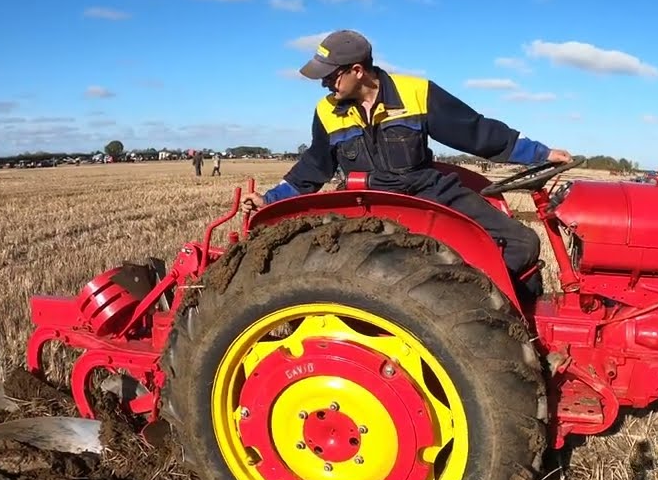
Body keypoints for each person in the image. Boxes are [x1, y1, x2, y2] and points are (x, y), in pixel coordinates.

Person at [241, 29, 571, 301]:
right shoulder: (327, 111)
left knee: (521, 243)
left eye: (330, 76)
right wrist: (270, 200)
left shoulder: (417, 93)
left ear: (358, 71)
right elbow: (314, 166)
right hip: (365, 200)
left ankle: (498, 314)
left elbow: (476, 132)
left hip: (427, 190)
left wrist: (540, 153)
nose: (325, 84)